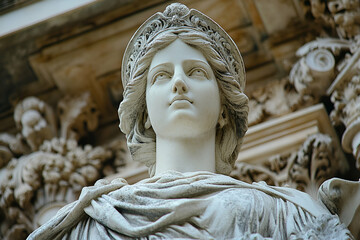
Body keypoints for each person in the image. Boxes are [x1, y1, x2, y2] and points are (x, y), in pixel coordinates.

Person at [28, 3, 352, 239]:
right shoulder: (93, 224)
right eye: (161, 76)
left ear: (225, 108)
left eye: (196, 72)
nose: (179, 83)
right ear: (144, 114)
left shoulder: (287, 214)